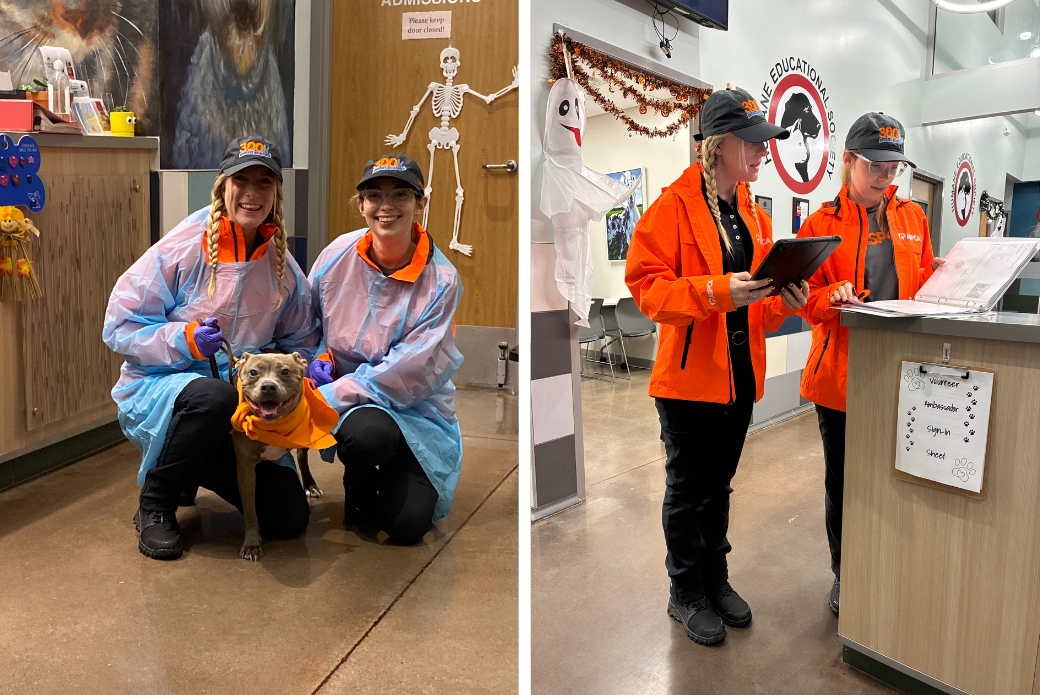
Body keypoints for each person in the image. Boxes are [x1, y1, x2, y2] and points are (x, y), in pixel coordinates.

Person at [625, 87, 810, 646]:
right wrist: (713, 290)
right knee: (687, 490)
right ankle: (685, 593)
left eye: (764, 143)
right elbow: (647, 291)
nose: (762, 153)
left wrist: (785, 298)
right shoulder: (672, 207)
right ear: (719, 144)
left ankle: (716, 579)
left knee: (720, 487)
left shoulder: (750, 210)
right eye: (752, 143)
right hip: (687, 384)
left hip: (739, 377)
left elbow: (754, 296)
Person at [103, 135, 320, 560]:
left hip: (249, 407)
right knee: (213, 397)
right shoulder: (182, 247)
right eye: (242, 181)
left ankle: (192, 462)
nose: (252, 193)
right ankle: (156, 502)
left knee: (288, 519)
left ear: (276, 192)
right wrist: (184, 339)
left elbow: (301, 340)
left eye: (264, 182)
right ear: (223, 186)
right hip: (169, 388)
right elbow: (120, 325)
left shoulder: (283, 267)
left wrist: (314, 366)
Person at [796, 113, 943, 615]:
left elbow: (922, 286)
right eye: (876, 166)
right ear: (849, 161)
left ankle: (889, 559)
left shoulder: (913, 219)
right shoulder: (819, 225)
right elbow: (803, 301)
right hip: (840, 376)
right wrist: (829, 299)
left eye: (894, 167)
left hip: (904, 374)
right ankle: (847, 570)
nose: (886, 177)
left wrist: (946, 278)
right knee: (845, 482)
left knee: (897, 473)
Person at [306, 154, 464, 545]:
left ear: (420, 203)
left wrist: (325, 395)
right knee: (367, 434)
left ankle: (398, 471)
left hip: (417, 408)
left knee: (408, 528)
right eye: (374, 195)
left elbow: (406, 374)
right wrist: (319, 357)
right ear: (361, 206)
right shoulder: (335, 257)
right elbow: (305, 322)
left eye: (400, 195)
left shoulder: (441, 280)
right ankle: (359, 486)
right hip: (359, 411)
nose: (386, 206)